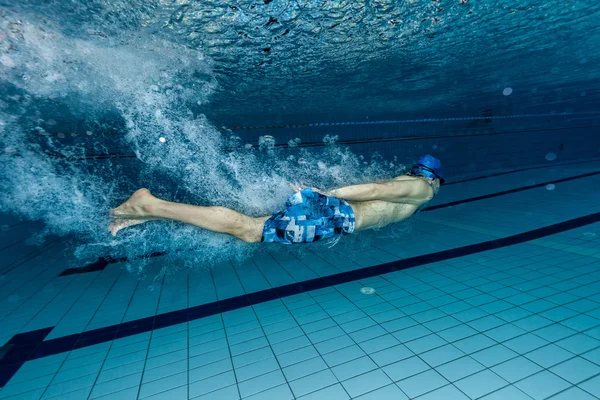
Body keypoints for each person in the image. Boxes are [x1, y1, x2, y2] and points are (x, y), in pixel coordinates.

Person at [108, 155, 445, 244]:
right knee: (250, 231)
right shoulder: (422, 189)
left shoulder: (411, 186)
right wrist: (328, 195)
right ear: (433, 178)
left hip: (335, 216)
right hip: (337, 214)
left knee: (251, 225)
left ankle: (152, 213)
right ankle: (150, 204)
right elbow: (374, 190)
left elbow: (378, 193)